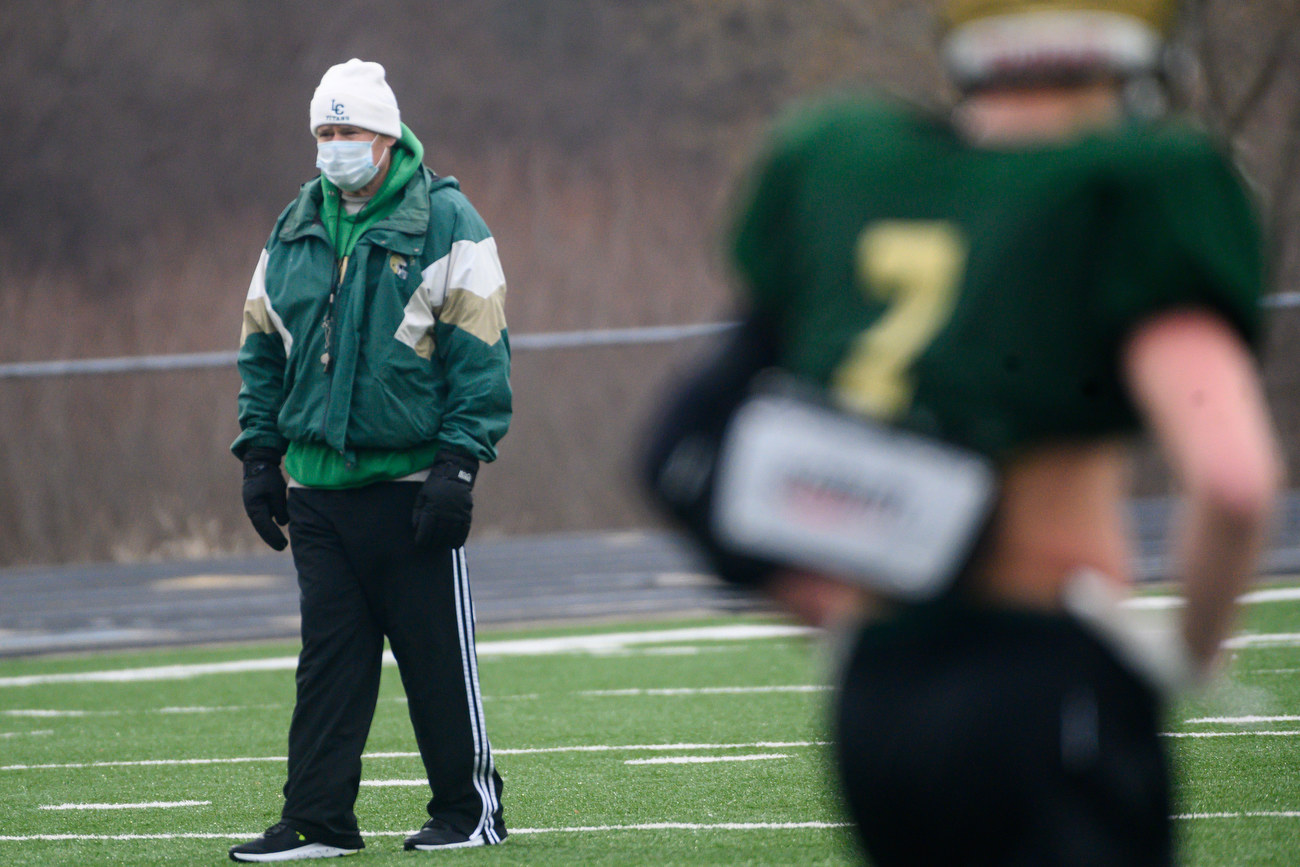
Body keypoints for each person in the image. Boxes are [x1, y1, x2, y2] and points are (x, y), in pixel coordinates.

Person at [642, 1, 1282, 863]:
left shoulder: (843, 160)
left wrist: (824, 604)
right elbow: (1233, 479)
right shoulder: (1139, 180)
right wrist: (1188, 659)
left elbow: (676, 452)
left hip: (878, 696)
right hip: (1044, 663)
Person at [229, 58, 511, 861]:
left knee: (434, 663)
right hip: (319, 492)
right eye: (324, 131)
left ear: (386, 137)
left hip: (413, 485)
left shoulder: (448, 222)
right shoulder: (294, 228)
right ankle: (318, 818)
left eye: (349, 130)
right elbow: (261, 347)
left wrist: (460, 463)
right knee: (329, 664)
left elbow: (481, 353)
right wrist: (260, 451)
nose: (334, 146)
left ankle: (468, 810)